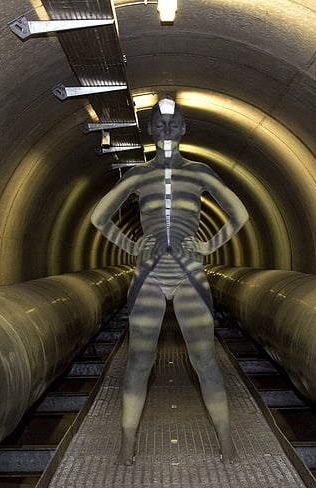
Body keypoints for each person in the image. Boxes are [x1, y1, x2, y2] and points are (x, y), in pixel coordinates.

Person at [91, 98, 248, 464]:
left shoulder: (200, 172)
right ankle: (127, 442)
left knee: (205, 359)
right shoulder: (138, 175)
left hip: (190, 275)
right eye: (159, 125)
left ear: (183, 128)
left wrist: (210, 244)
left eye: (172, 124)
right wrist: (129, 244)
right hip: (149, 275)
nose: (165, 130)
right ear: (150, 129)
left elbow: (239, 212)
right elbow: (99, 217)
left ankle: (226, 440)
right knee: (139, 360)